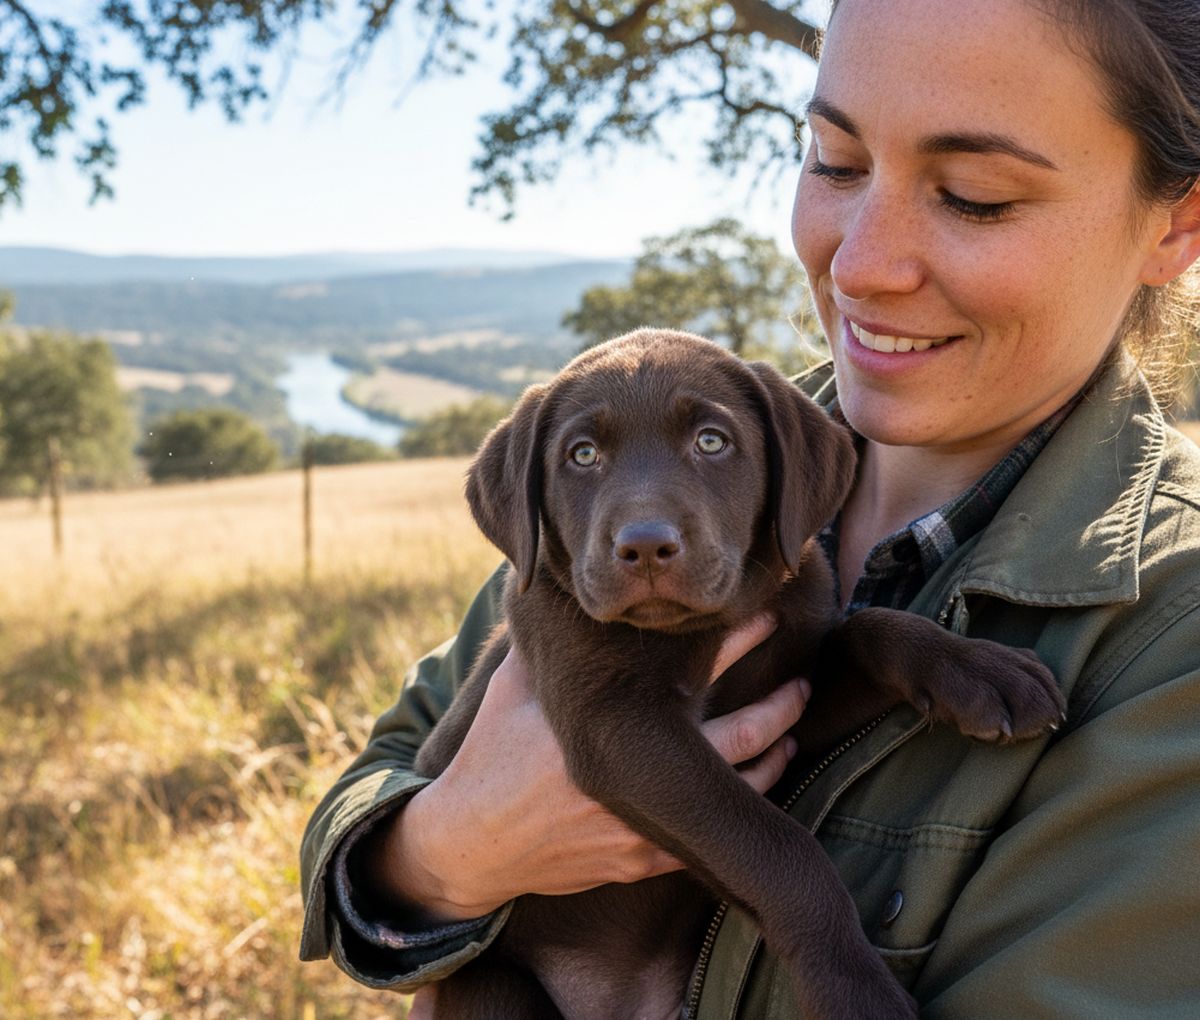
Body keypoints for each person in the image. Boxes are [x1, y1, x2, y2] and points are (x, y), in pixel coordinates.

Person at [300, 0, 1200, 1014]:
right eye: (835, 162)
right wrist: (442, 856)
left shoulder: (1172, 636)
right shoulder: (634, 513)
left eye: (973, 196)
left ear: (1175, 222)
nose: (858, 264)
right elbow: (383, 781)